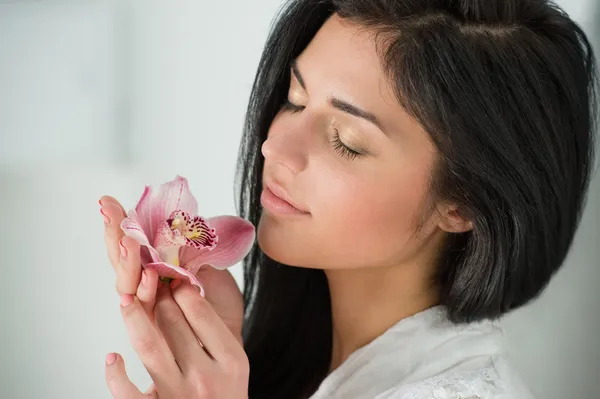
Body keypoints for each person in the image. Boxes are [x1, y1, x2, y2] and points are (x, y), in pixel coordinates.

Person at [98, 0, 598, 398]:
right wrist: (222, 340)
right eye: (294, 99)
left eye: (346, 140)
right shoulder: (290, 359)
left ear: (462, 203)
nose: (275, 147)